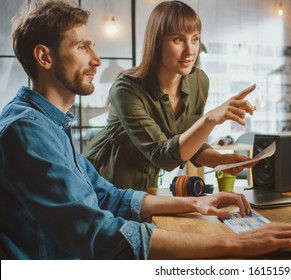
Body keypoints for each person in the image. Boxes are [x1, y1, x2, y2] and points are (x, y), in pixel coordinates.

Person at [0, 0, 291, 260]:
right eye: (83, 48)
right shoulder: (27, 130)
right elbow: (96, 232)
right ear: (44, 56)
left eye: (93, 46)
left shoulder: (51, 124)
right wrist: (240, 244)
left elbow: (107, 195)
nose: (96, 60)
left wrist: (196, 202)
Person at [83, 1, 256, 191]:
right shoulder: (126, 89)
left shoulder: (198, 81)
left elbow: (188, 142)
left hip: (147, 187)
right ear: (156, 42)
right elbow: (163, 156)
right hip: (101, 183)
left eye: (195, 39)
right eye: (178, 40)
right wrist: (210, 120)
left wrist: (220, 160)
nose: (190, 50)